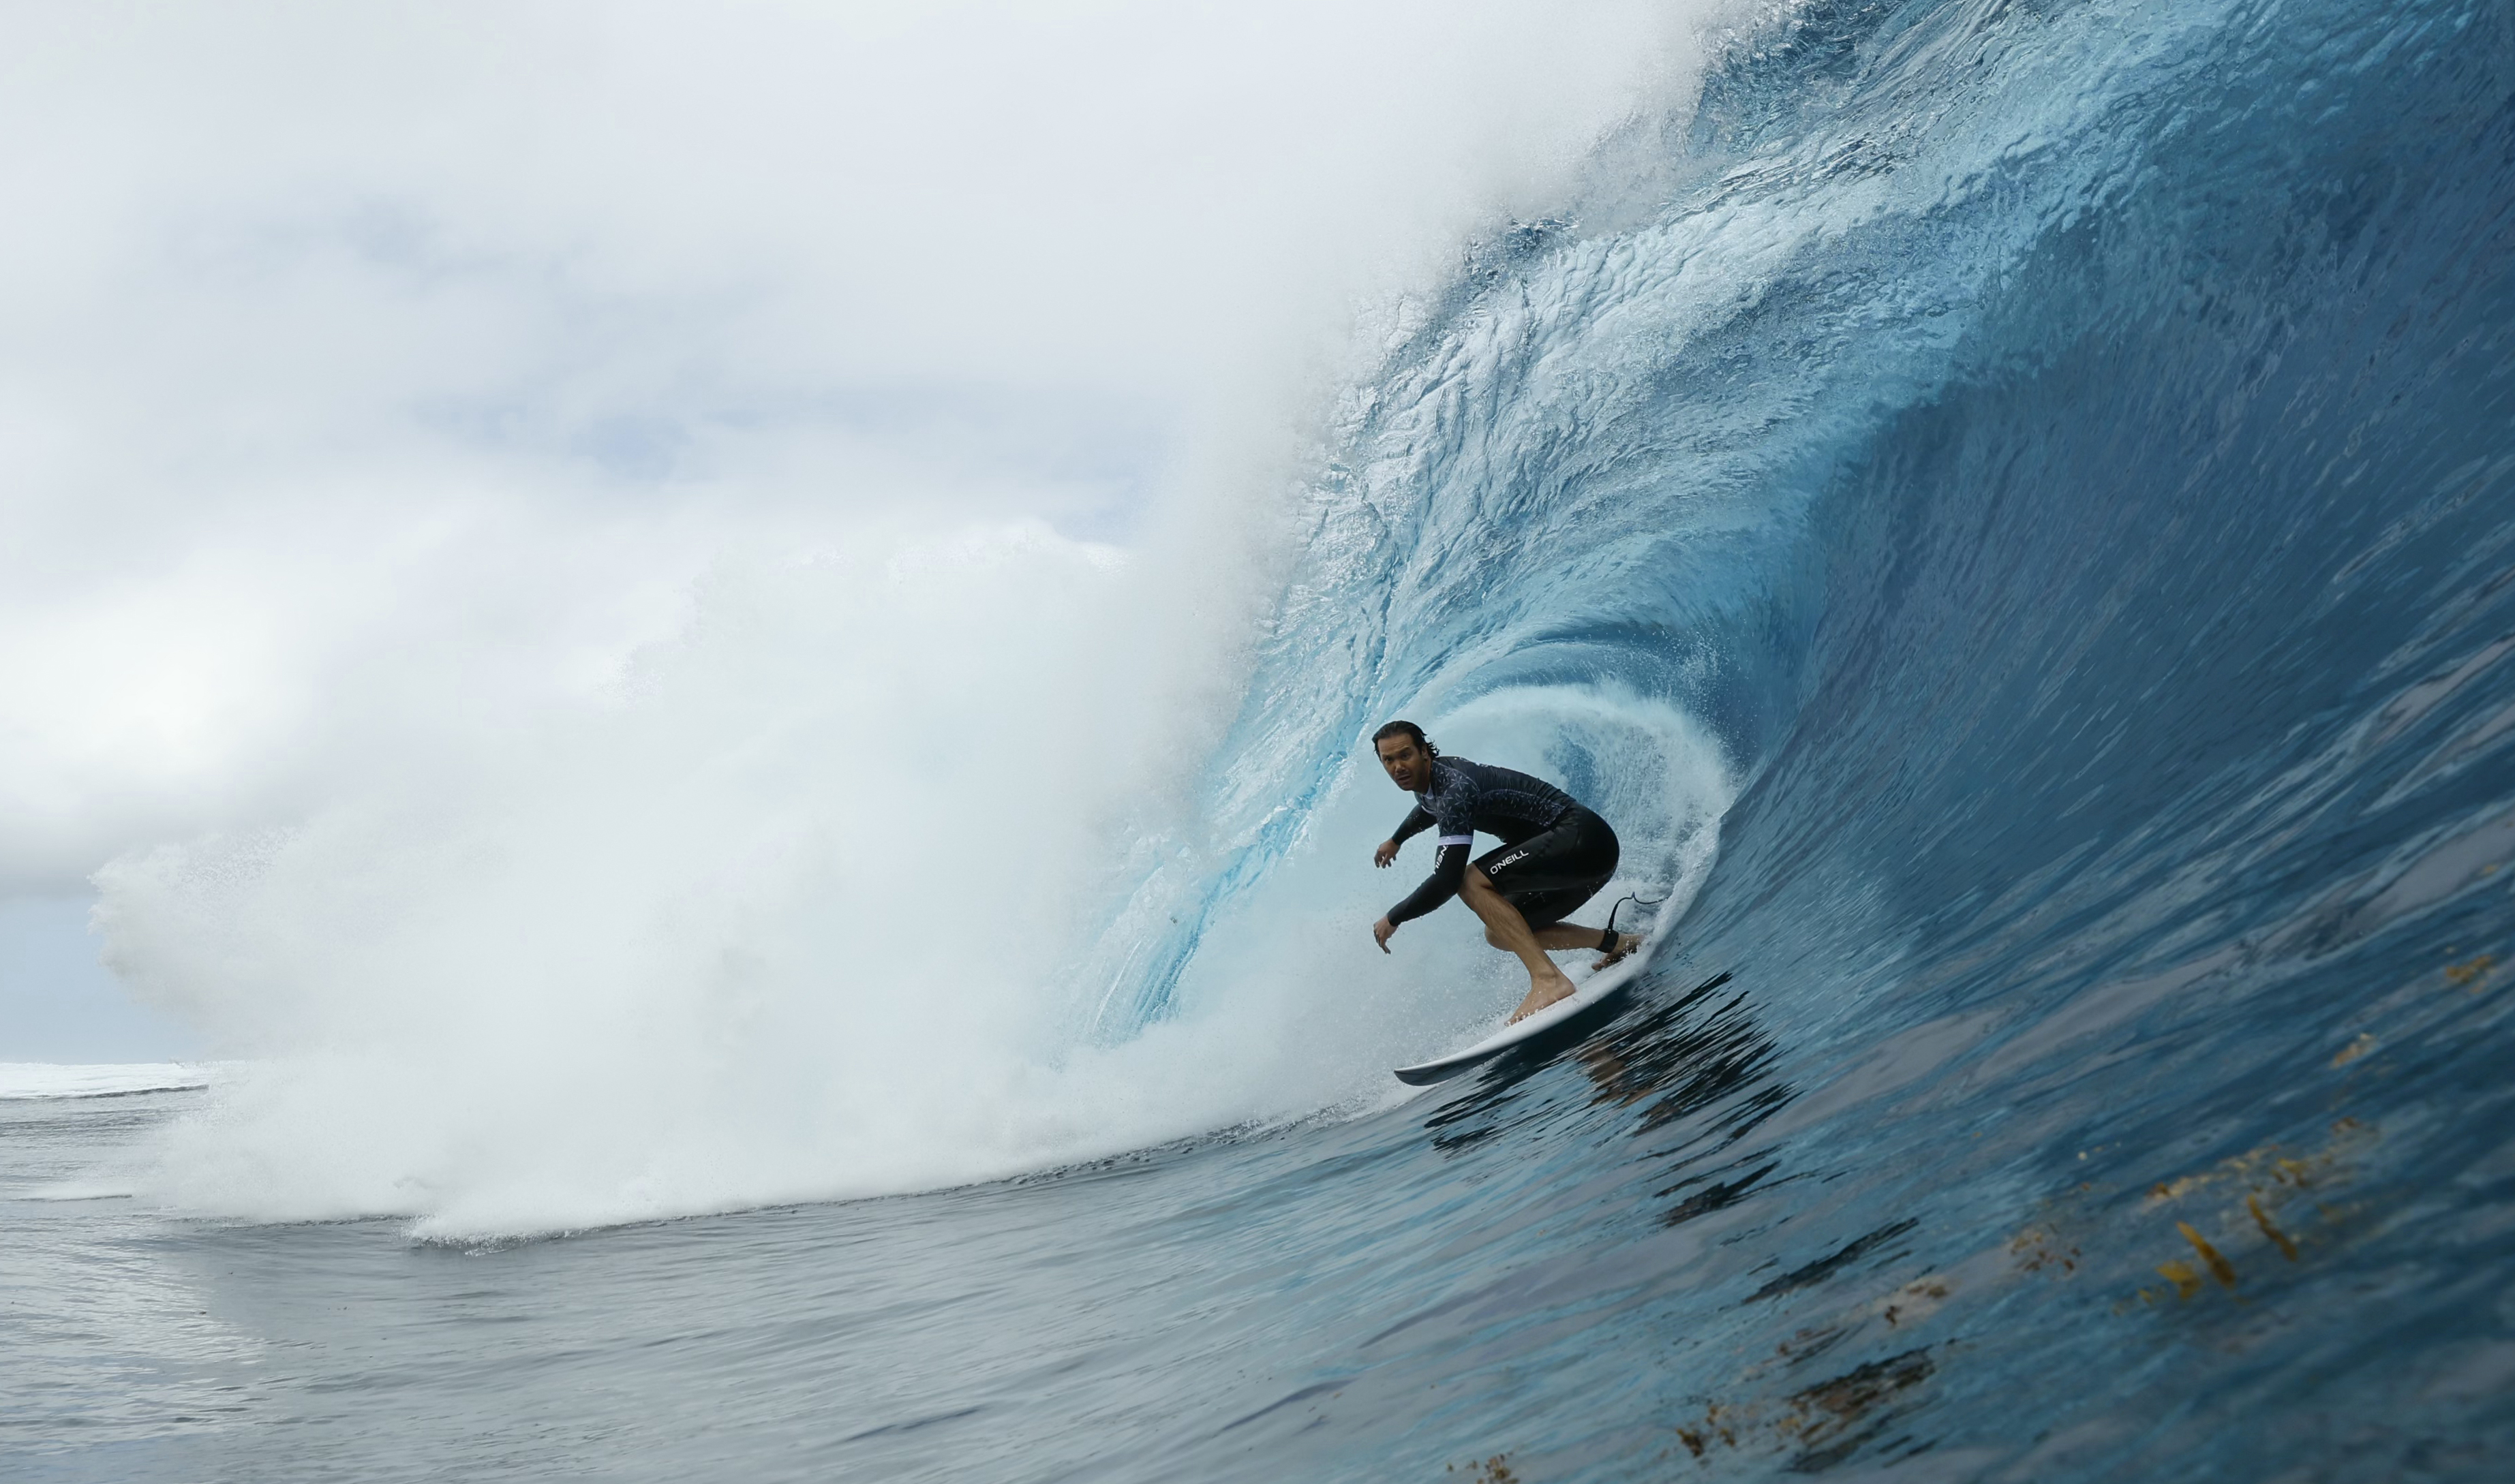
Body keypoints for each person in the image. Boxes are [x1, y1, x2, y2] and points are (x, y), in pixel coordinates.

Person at [1367, 720, 1640, 1022]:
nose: (1397, 767)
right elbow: (1428, 808)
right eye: (1388, 760)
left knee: (1468, 881)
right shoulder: (1432, 783)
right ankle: (1617, 944)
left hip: (1582, 840)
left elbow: (1446, 882)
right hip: (1575, 856)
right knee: (1501, 932)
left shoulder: (1455, 790)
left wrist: (1394, 917)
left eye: (1405, 756)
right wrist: (1397, 839)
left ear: (1424, 753)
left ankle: (1548, 980)